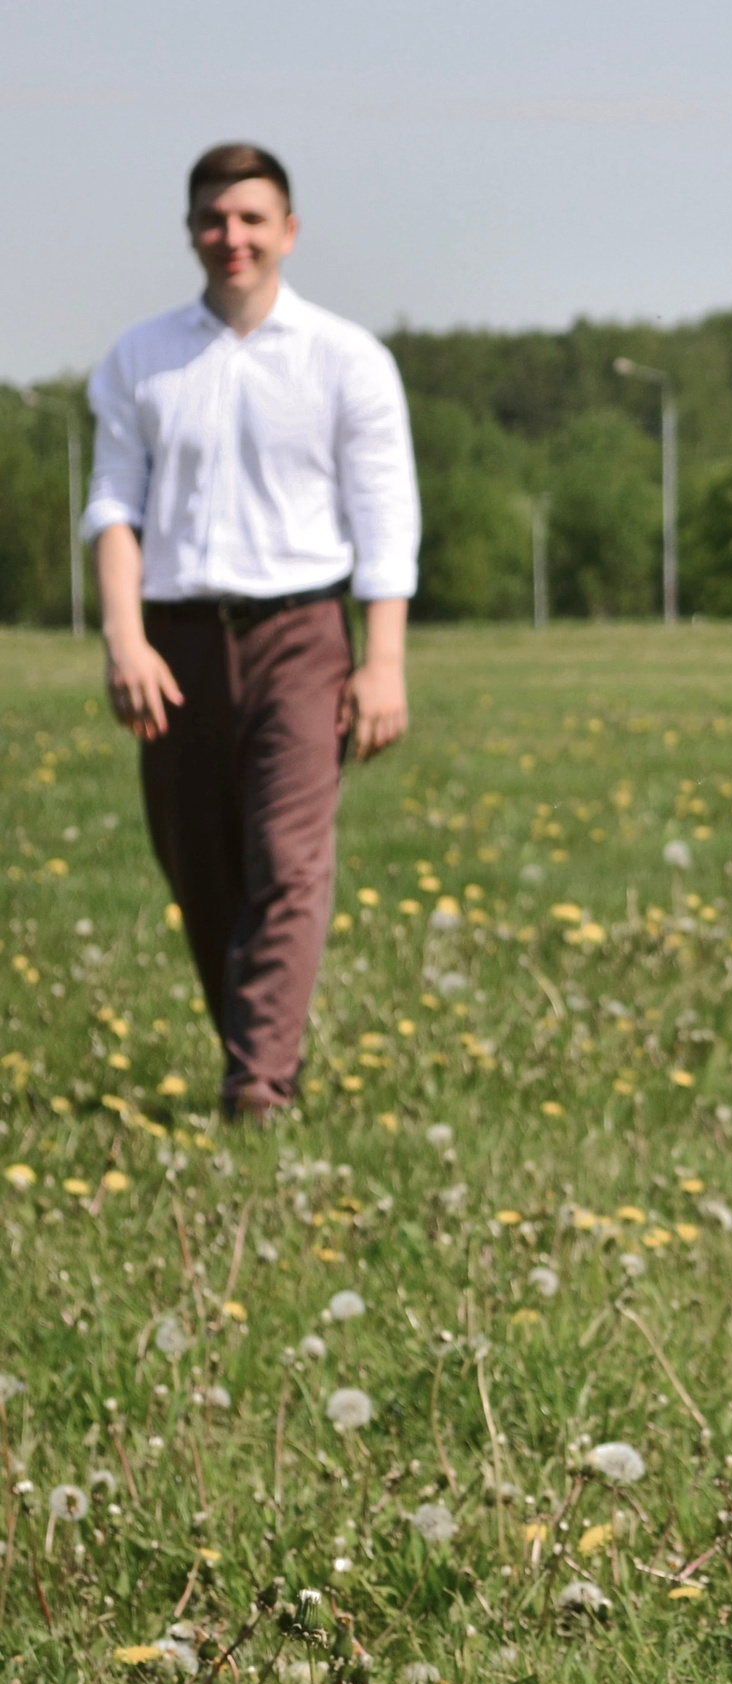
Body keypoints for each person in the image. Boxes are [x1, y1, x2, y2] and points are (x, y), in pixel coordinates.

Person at [83, 142, 419, 1123]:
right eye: (213, 219)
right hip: (173, 643)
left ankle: (256, 1089)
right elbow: (113, 503)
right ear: (191, 229)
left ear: (288, 230)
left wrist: (384, 659)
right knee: (199, 864)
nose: (231, 237)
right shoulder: (141, 357)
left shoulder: (346, 357)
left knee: (288, 859)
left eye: (251, 219)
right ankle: (258, 1050)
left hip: (302, 634)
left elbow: (384, 514)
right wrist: (123, 636)